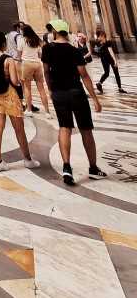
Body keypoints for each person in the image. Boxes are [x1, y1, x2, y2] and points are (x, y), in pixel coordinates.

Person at [42, 21, 106, 185]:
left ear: (56, 32)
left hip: (58, 94)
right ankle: (93, 168)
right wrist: (95, 99)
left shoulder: (47, 49)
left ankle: (66, 167)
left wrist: (50, 89)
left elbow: (46, 72)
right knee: (86, 130)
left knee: (65, 128)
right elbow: (84, 76)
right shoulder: (74, 51)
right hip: (76, 93)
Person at [0, 29, 40, 172]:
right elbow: (15, 81)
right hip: (9, 96)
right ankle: (28, 159)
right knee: (19, 129)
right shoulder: (7, 59)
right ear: (4, 44)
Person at [18, 24, 51, 116]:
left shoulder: (22, 41)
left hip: (26, 63)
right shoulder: (37, 41)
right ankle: (47, 111)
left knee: (27, 88)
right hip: (37, 64)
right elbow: (40, 55)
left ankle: (29, 109)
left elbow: (19, 53)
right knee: (41, 88)